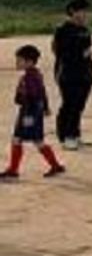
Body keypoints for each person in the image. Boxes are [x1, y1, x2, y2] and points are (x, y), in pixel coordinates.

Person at [1, 46, 65, 180]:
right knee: (33, 140)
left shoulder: (30, 77)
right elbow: (42, 93)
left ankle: (14, 170)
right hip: (31, 112)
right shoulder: (35, 74)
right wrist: (45, 107)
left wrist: (28, 115)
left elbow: (34, 96)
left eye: (20, 60)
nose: (17, 63)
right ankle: (55, 166)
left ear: (29, 62)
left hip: (29, 113)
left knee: (24, 140)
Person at [52, 0, 92, 150]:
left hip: (85, 73)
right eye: (81, 11)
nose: (84, 15)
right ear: (72, 11)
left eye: (86, 11)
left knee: (79, 105)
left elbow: (89, 51)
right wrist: (80, 54)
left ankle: (75, 135)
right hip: (68, 74)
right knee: (70, 104)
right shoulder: (63, 30)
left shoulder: (84, 30)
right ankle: (65, 136)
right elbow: (60, 52)